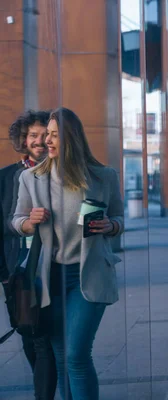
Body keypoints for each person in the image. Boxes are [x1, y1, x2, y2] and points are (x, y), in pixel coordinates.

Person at [12, 107, 124, 400]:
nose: (47, 140)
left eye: (54, 134)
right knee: (62, 358)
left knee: (76, 354)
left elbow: (119, 220)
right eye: (46, 134)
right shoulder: (31, 179)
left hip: (88, 276)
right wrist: (28, 221)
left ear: (71, 137)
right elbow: (16, 221)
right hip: (49, 279)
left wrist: (110, 225)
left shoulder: (103, 176)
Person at [0, 110, 57, 399]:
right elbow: (2, 224)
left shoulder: (62, 174)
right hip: (21, 272)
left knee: (45, 339)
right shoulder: (7, 177)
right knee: (28, 334)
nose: (38, 141)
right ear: (23, 140)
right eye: (32, 135)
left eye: (43, 135)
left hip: (55, 267)